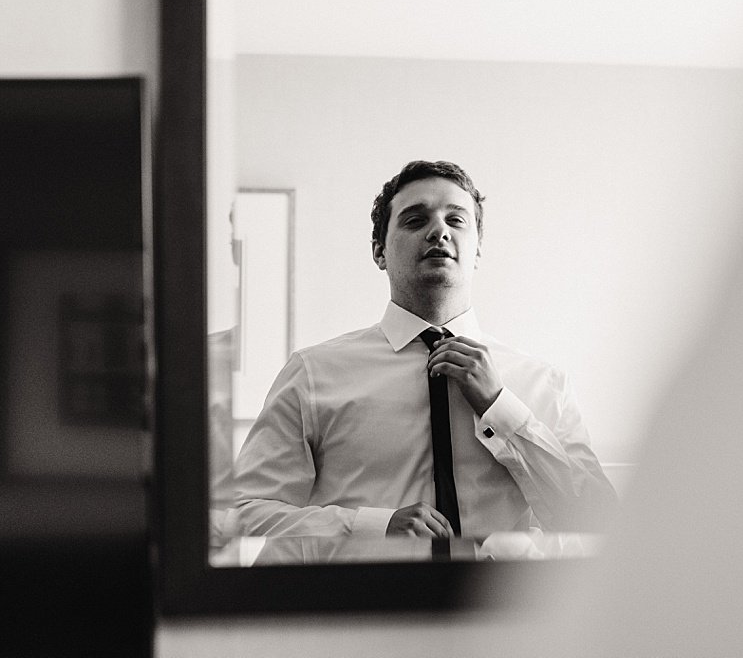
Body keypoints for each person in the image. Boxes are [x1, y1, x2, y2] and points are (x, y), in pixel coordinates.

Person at [229, 160, 616, 540]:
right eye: (416, 220)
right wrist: (371, 526)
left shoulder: (544, 384)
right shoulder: (313, 373)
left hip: (502, 604)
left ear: (478, 249)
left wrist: (501, 408)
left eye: (456, 220)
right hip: (363, 604)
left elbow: (597, 524)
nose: (438, 232)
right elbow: (244, 513)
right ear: (379, 251)